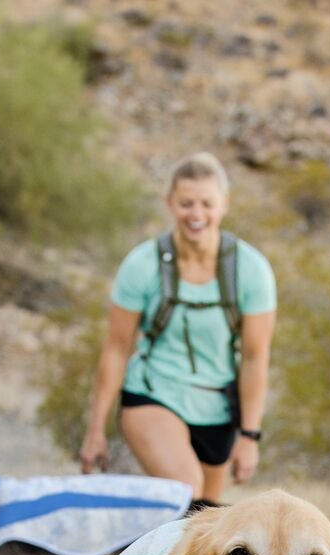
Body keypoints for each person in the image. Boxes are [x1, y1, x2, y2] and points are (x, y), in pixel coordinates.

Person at [78, 153, 276, 505]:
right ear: (170, 204)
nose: (196, 214)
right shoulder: (142, 266)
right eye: (186, 203)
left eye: (206, 204)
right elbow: (117, 348)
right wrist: (95, 431)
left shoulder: (250, 269)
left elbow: (254, 357)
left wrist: (249, 437)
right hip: (154, 392)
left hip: (217, 408)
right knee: (187, 489)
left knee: (205, 525)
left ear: (224, 205)